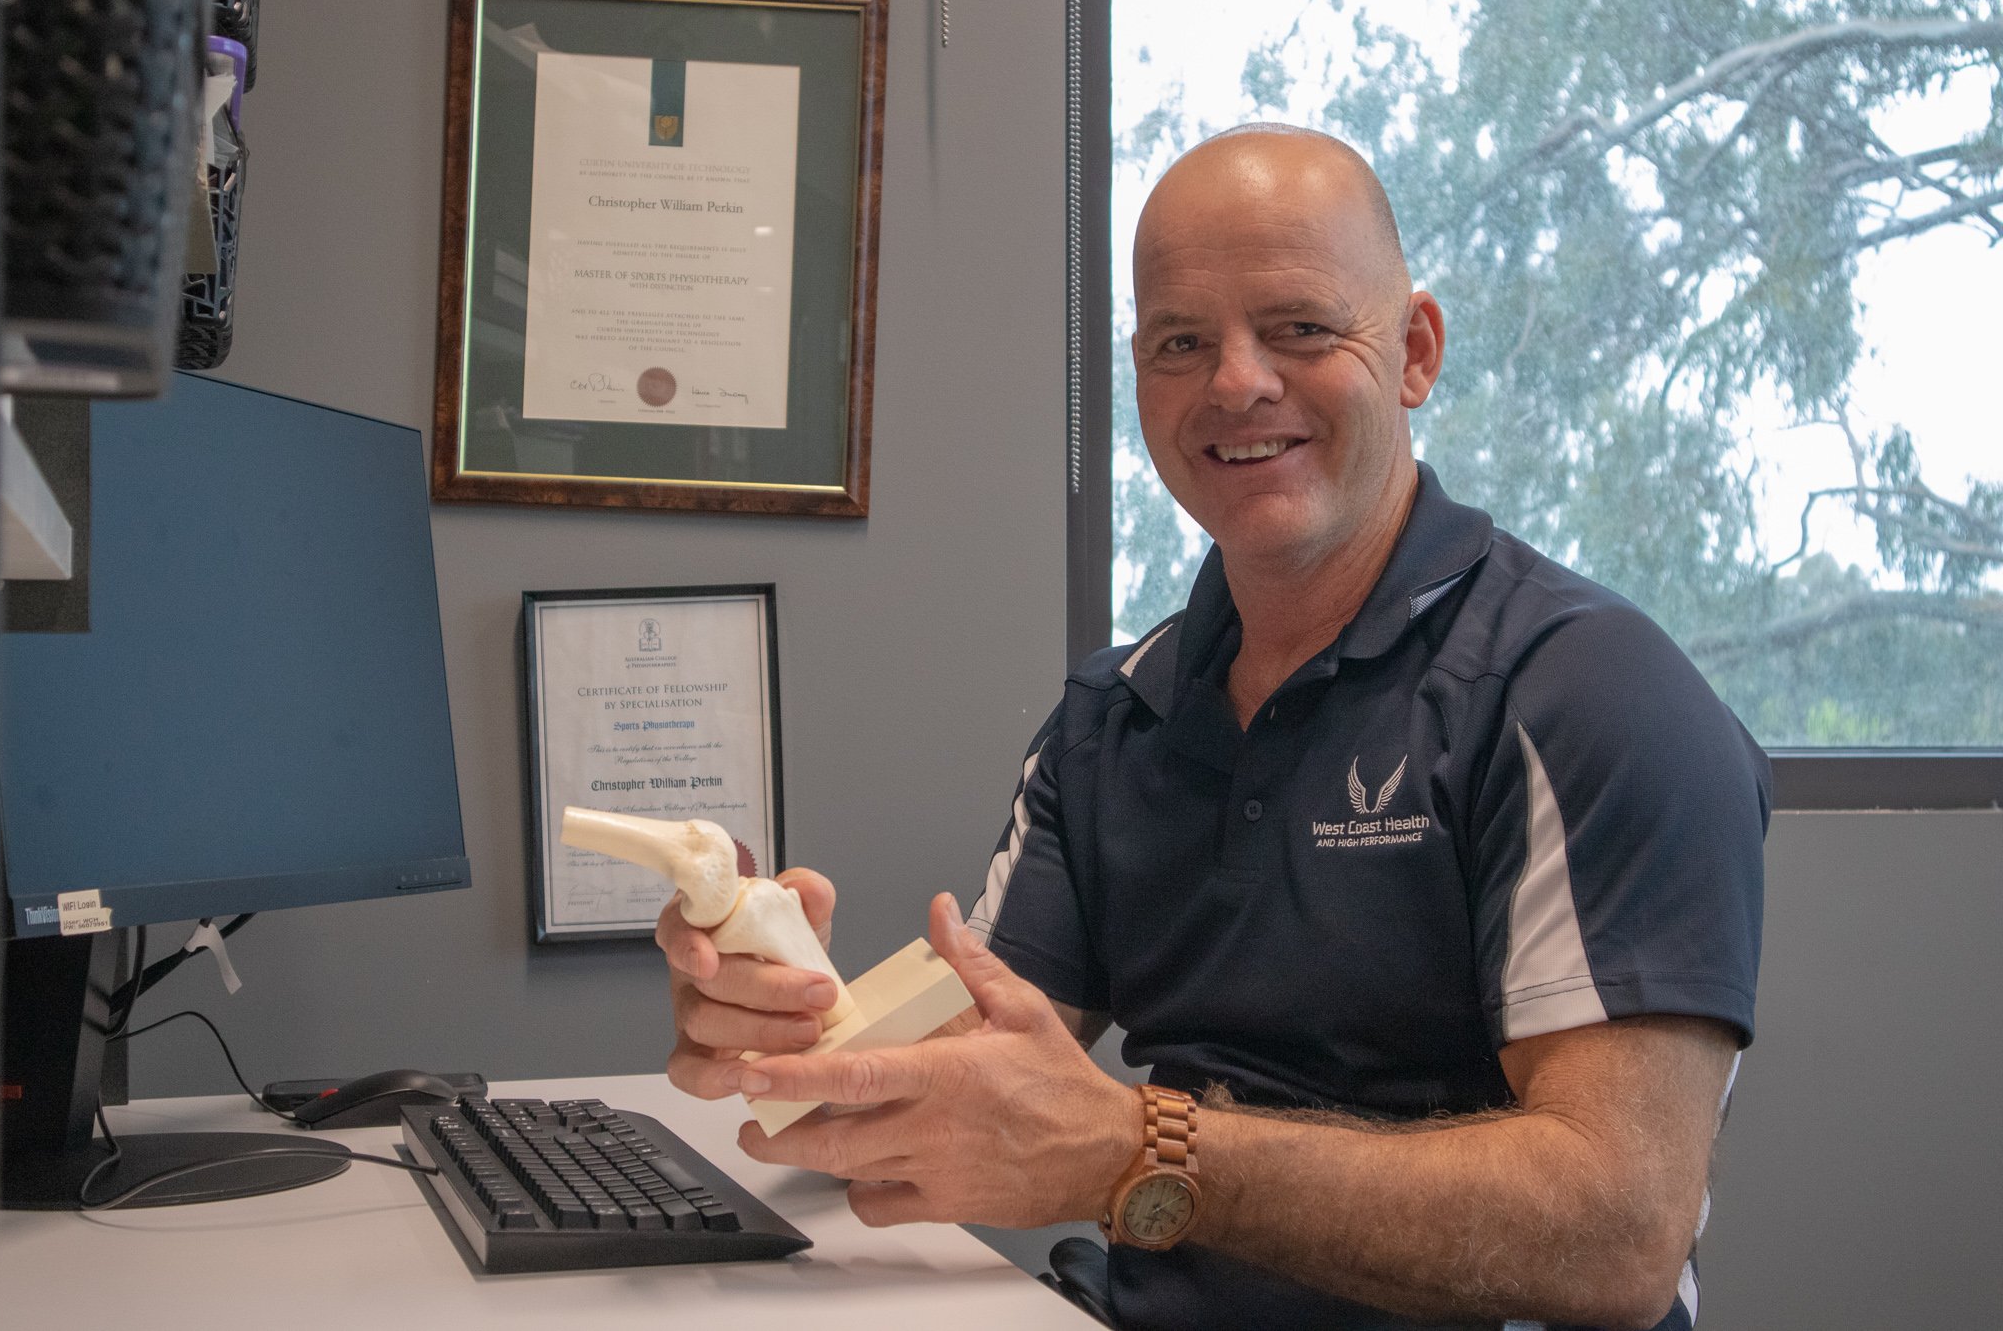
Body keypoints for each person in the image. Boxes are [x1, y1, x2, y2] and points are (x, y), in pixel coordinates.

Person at [655, 125, 1769, 1331]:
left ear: (1413, 352)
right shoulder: (1110, 721)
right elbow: (957, 1091)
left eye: (1299, 328)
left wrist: (1139, 1150)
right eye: (1180, 343)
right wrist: (786, 1026)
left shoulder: (1584, 695)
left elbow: (1617, 1233)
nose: (1235, 383)